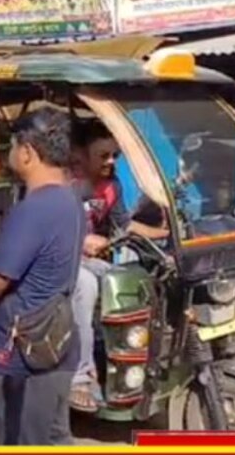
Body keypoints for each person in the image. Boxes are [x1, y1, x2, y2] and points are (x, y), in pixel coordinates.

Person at [0, 107, 86, 445]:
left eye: (11, 145)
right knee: (53, 436)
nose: (8, 152)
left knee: (18, 439)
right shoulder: (72, 199)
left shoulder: (32, 210)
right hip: (59, 341)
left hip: (23, 357)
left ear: (26, 152)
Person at [67, 121, 169, 412]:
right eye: (103, 155)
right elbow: (48, 227)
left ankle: (127, 363)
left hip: (90, 260)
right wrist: (82, 240)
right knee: (85, 286)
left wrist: (164, 234)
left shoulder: (113, 186)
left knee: (126, 282)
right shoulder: (66, 184)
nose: (111, 162)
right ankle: (78, 377)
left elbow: (124, 225)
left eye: (115, 155)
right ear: (80, 155)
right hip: (58, 258)